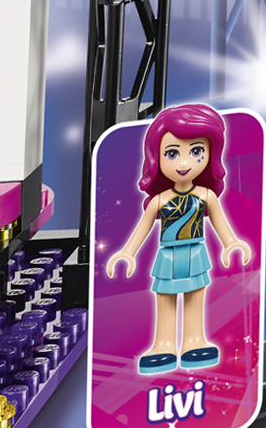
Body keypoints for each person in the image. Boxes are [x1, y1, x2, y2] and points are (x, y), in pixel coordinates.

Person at [104, 102, 251, 374]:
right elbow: (142, 229)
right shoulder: (159, 201)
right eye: (172, 153)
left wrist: (231, 243)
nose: (184, 163)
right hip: (168, 255)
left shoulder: (206, 196)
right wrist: (127, 252)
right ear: (156, 158)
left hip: (196, 253)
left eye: (196, 151)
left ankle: (194, 341)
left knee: (195, 297)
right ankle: (164, 345)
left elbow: (220, 223)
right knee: (166, 299)